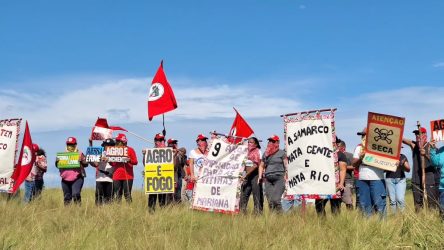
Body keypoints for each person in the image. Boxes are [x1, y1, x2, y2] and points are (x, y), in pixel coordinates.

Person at [402, 127, 440, 212]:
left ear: (424, 134)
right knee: (418, 204)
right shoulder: (414, 145)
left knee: (432, 203)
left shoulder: (431, 146)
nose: (418, 136)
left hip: (429, 178)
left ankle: (431, 220)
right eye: (416, 134)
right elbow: (402, 139)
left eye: (419, 134)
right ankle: (419, 220)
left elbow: (436, 161)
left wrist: (425, 154)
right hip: (416, 178)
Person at [352, 128, 387, 217]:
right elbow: (354, 164)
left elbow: (387, 165)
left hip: (377, 177)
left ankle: (384, 228)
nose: (363, 137)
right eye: (362, 135)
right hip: (363, 178)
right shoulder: (359, 147)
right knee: (364, 204)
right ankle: (368, 227)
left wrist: (394, 164)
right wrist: (361, 158)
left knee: (380, 205)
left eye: (365, 135)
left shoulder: (380, 147)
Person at [314, 137, 347, 216]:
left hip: (336, 185)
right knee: (319, 205)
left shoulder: (340, 154)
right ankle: (322, 224)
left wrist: (341, 183)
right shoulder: (319, 153)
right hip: (322, 184)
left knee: (335, 208)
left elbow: (343, 169)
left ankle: (335, 226)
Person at [258, 135, 286, 212]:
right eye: (269, 141)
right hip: (268, 179)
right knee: (270, 201)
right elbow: (261, 166)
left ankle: (281, 218)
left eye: (272, 141)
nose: (270, 143)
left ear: (277, 142)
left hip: (279, 178)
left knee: (276, 200)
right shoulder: (265, 154)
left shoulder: (282, 153)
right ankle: (273, 219)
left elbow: (286, 166)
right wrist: (259, 177)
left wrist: (286, 176)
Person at [56, 137, 88, 205]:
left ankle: (78, 209)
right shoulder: (62, 155)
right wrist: (57, 162)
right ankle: (68, 213)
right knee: (67, 197)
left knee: (76, 194)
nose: (70, 146)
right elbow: (57, 165)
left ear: (75, 145)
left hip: (77, 178)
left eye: (72, 144)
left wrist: (81, 161)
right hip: (65, 179)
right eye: (69, 144)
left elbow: (86, 164)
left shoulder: (80, 153)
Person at [240, 137, 264, 214]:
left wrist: (245, 175)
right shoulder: (246, 151)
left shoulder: (258, 151)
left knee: (256, 194)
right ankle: (242, 212)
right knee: (244, 194)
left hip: (255, 175)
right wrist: (244, 175)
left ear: (256, 144)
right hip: (247, 175)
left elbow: (255, 165)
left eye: (251, 142)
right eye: (248, 142)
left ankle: (257, 213)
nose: (249, 144)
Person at [111, 133, 138, 203]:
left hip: (128, 176)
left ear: (123, 142)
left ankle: (130, 211)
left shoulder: (130, 150)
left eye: (118, 141)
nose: (116, 142)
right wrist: (108, 160)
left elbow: (135, 162)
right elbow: (112, 164)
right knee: (117, 196)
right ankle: (118, 212)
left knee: (127, 195)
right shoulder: (114, 150)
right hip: (116, 176)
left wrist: (129, 160)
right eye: (116, 141)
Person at [146, 133, 169, 212]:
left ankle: (162, 216)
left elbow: (174, 166)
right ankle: (151, 215)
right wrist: (144, 155)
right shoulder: (151, 151)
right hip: (153, 178)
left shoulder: (169, 152)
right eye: (157, 140)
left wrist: (174, 155)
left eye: (162, 140)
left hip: (164, 179)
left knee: (162, 200)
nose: (159, 142)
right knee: (152, 199)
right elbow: (145, 164)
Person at [91, 138, 115, 205]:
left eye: (110, 145)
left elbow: (116, 164)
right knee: (99, 198)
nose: (107, 146)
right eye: (106, 145)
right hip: (100, 178)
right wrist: (91, 160)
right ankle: (98, 213)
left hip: (110, 179)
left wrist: (109, 159)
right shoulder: (99, 152)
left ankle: (108, 213)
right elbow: (95, 164)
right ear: (103, 146)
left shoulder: (116, 154)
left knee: (109, 199)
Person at [167, 138, 187, 203]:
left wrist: (178, 151)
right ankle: (169, 206)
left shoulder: (179, 153)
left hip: (178, 175)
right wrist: (174, 153)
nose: (174, 144)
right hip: (170, 175)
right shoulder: (166, 152)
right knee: (169, 193)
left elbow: (184, 150)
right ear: (169, 144)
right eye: (173, 143)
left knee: (178, 193)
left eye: (175, 143)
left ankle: (177, 207)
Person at [337, 140, 355, 210]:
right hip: (337, 181)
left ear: (343, 147)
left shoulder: (350, 155)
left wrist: (343, 167)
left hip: (347, 181)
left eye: (338, 146)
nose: (336, 147)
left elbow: (355, 167)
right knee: (337, 201)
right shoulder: (334, 155)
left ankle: (350, 216)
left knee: (348, 200)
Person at [430, 140, 444, 219]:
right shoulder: (440, 150)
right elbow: (434, 163)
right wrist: (432, 149)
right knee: (442, 212)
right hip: (442, 187)